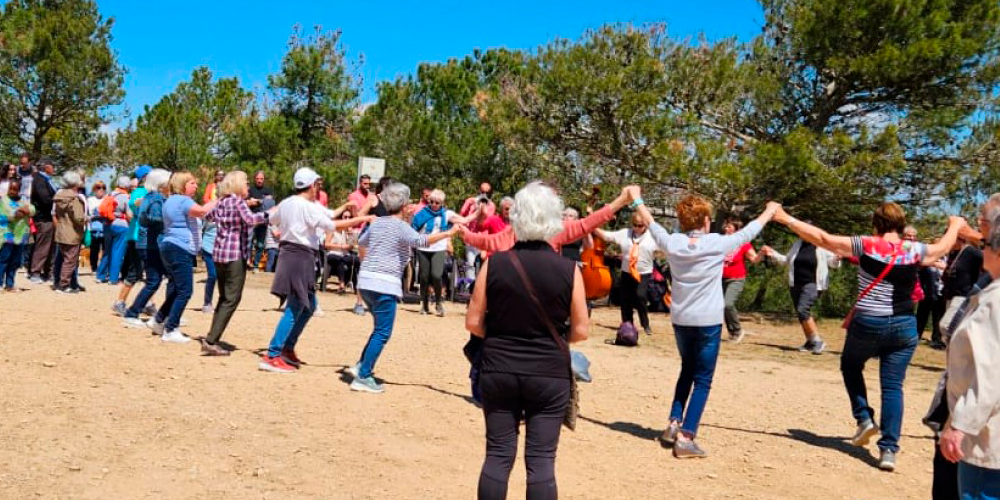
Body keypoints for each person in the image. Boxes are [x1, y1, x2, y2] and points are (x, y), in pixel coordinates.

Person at [773, 202, 966, 471]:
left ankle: (864, 418)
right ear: (901, 225)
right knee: (893, 386)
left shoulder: (866, 244)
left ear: (876, 224)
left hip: (868, 321)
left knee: (850, 366)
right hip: (904, 325)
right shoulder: (914, 249)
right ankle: (888, 450)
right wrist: (955, 225)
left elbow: (823, 239)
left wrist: (785, 218)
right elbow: (942, 248)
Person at [465, 181, 589, 500]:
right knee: (541, 461)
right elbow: (581, 330)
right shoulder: (569, 270)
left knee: (498, 455)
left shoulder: (494, 263)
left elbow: (473, 322)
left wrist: (501, 333)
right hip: (548, 372)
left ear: (516, 217)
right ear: (554, 219)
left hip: (499, 367)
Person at [635, 193, 778, 458]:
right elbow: (750, 232)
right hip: (708, 320)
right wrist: (769, 211)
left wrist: (636, 199)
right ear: (705, 220)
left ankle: (674, 422)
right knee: (702, 379)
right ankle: (686, 437)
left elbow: (651, 223)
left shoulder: (673, 242)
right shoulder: (717, 243)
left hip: (681, 319)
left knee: (687, 369)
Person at [345, 181, 457, 391]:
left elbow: (362, 242)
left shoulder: (377, 222)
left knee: (378, 329)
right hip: (384, 284)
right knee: (382, 333)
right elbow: (423, 241)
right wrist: (448, 234)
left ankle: (360, 365)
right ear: (404, 206)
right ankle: (363, 376)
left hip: (366, 283)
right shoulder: (401, 227)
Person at [259, 168, 371, 373]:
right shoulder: (306, 207)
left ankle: (287, 348)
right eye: (317, 184)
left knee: (309, 306)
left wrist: (346, 207)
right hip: (299, 256)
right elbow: (331, 225)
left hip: (293, 254)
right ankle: (273, 354)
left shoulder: (288, 203)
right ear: (311, 186)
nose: (318, 187)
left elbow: (273, 220)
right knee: (295, 307)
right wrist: (362, 219)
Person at [939, 214, 1000, 499]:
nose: (981, 249)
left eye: (984, 243)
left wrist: (959, 426)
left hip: (986, 441)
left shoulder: (994, 302)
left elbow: (990, 373)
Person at [459, 185, 639, 258]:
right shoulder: (555, 229)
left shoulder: (513, 231)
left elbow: (488, 242)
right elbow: (586, 224)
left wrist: (466, 234)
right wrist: (620, 201)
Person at [200, 171, 269, 356]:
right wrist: (269, 214)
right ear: (238, 185)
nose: (248, 186)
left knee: (224, 297)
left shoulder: (222, 201)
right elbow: (251, 220)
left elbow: (208, 216)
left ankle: (212, 336)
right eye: (245, 182)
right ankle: (211, 340)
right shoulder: (238, 202)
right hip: (234, 256)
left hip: (219, 254)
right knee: (232, 298)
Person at [149, 172, 218, 343]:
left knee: (176, 289)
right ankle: (171, 329)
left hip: (171, 246)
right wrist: (219, 199)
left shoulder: (171, 200)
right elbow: (202, 211)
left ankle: (159, 320)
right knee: (185, 291)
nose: (196, 186)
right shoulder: (183, 201)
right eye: (192, 183)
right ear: (182, 185)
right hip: (180, 248)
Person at [762, 237, 841, 353]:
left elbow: (833, 263)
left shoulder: (822, 245)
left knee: (802, 309)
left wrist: (836, 259)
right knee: (801, 314)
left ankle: (817, 341)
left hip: (814, 283)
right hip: (795, 283)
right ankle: (810, 341)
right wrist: (772, 253)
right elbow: (786, 260)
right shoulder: (797, 244)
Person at [411, 189, 476, 316]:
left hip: (439, 248)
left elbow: (464, 220)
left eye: (437, 202)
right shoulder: (422, 213)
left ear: (442, 203)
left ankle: (438, 302)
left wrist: (478, 212)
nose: (434, 204)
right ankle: (424, 304)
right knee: (424, 277)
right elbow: (413, 228)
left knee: (436, 275)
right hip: (423, 247)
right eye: (431, 201)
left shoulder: (446, 214)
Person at [593, 212, 659, 336]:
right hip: (627, 272)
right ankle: (627, 324)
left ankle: (645, 324)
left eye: (640, 225)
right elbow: (607, 236)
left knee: (640, 296)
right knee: (625, 299)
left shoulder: (653, 237)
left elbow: (666, 246)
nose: (637, 228)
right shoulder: (625, 233)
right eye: (635, 225)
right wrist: (590, 225)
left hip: (643, 273)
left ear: (646, 225)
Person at [121, 169, 171, 328]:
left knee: (157, 280)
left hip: (149, 244)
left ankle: (165, 315)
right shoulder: (156, 199)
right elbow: (150, 219)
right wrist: (169, 220)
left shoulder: (151, 197)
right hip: (151, 245)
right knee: (154, 281)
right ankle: (133, 313)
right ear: (161, 183)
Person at [112, 166, 151, 316]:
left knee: (149, 274)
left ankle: (147, 303)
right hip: (137, 237)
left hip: (145, 238)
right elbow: (133, 206)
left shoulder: (149, 193)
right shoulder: (139, 192)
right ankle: (119, 302)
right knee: (135, 272)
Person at [717, 220, 763, 343]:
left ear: (736, 229)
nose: (726, 229)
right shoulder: (722, 242)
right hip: (721, 278)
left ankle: (737, 330)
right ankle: (732, 333)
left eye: (729, 227)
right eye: (725, 226)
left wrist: (762, 253)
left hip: (736, 279)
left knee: (728, 304)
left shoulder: (743, 243)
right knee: (721, 306)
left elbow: (754, 259)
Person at [52, 171, 87, 293]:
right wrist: (86, 219)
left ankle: (58, 282)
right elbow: (78, 218)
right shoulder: (74, 198)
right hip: (72, 233)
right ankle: (64, 285)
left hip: (61, 231)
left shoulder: (59, 197)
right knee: (70, 260)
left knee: (62, 259)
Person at [97, 176, 132, 285]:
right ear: (128, 186)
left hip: (107, 225)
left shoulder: (110, 194)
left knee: (107, 250)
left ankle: (100, 276)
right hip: (121, 226)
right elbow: (129, 214)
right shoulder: (126, 197)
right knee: (117, 252)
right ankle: (113, 278)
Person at [0, 179, 33, 291]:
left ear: (19, 190)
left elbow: (32, 209)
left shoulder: (23, 200)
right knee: (4, 259)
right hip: (7, 235)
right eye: (11, 188)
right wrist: (15, 214)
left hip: (21, 235)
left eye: (15, 189)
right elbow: (3, 215)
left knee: (15, 261)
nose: (12, 191)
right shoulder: (3, 200)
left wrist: (26, 210)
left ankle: (10, 284)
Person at [27, 158, 57, 284]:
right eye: (52, 165)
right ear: (46, 167)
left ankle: (48, 272)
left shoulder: (46, 180)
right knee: (42, 246)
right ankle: (35, 272)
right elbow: (45, 199)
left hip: (49, 218)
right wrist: (58, 201)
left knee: (50, 247)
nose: (54, 168)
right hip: (43, 218)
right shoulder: (39, 180)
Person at [324, 210, 361, 293]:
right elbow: (326, 244)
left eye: (350, 217)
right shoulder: (332, 229)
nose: (347, 219)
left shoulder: (348, 231)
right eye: (345, 217)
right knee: (340, 259)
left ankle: (358, 286)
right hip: (333, 253)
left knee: (358, 260)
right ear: (340, 218)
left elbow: (352, 246)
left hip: (345, 254)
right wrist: (341, 246)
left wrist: (351, 234)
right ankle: (342, 284)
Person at [247, 170, 273, 271]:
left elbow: (270, 204)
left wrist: (256, 201)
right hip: (251, 219)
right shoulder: (250, 190)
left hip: (262, 220)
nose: (259, 180)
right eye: (257, 178)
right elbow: (247, 203)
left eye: (261, 179)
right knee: (248, 242)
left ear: (264, 179)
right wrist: (262, 201)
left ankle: (256, 264)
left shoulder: (268, 190)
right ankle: (248, 262)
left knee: (260, 244)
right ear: (254, 179)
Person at [86, 181, 107, 273]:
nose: (101, 190)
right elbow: (89, 214)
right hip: (94, 228)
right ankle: (94, 267)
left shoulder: (107, 199)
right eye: (98, 187)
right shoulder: (90, 200)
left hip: (105, 228)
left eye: (103, 187)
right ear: (94, 189)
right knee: (94, 249)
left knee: (105, 249)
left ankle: (103, 267)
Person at [200, 218, 218, 313]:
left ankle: (225, 303)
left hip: (223, 249)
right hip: (208, 247)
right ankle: (207, 303)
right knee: (212, 275)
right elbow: (200, 229)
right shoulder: (207, 214)